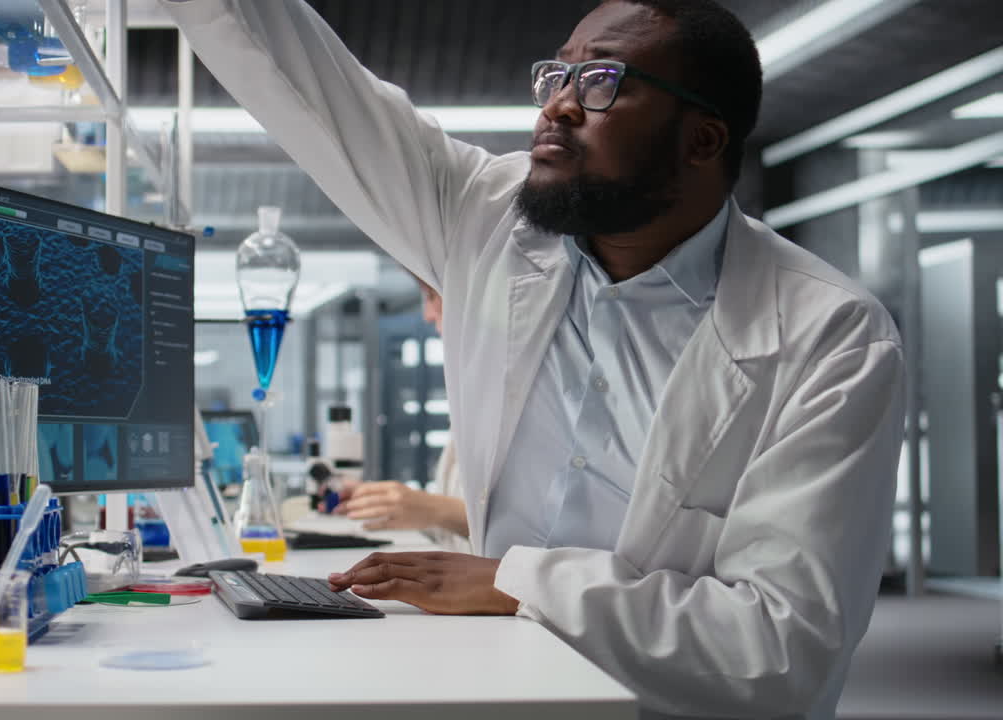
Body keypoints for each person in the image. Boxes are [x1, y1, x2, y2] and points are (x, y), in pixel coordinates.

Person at [162, 1, 904, 717]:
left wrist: (515, 582)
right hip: (498, 684)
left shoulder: (828, 335)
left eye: (602, 82)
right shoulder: (486, 216)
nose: (559, 107)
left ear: (702, 140)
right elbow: (304, 84)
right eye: (556, 76)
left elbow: (778, 648)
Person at [334, 278, 471, 552]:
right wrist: (392, 503)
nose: (428, 315)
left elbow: (538, 537)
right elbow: (460, 536)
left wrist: (435, 508)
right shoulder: (472, 391)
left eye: (432, 296)